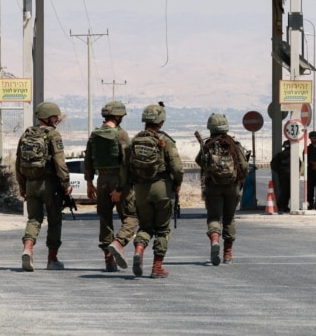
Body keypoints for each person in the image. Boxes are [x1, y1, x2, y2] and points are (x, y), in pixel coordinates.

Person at [126, 103, 183, 278]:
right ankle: (157, 267)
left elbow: (127, 166)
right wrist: (178, 184)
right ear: (161, 121)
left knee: (145, 226)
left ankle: (139, 248)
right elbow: (177, 168)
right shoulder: (165, 141)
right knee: (163, 229)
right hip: (162, 188)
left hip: (141, 190)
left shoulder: (135, 141)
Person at [15, 102, 71, 272]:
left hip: (31, 184)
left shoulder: (26, 134)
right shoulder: (53, 135)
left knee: (34, 219)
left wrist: (22, 186)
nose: (57, 120)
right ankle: (52, 259)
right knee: (54, 221)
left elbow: (18, 163)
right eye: (55, 117)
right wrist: (66, 183)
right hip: (50, 185)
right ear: (47, 118)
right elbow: (59, 162)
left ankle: (28, 249)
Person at [84, 101, 138, 272]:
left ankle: (108, 260)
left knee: (105, 218)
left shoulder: (95, 134)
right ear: (116, 116)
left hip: (101, 181)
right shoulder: (121, 134)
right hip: (118, 180)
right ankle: (118, 243)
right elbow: (126, 163)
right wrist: (120, 189)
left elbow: (88, 159)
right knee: (131, 217)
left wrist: (89, 183)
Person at [196, 113, 249, 266]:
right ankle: (227, 253)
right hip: (232, 187)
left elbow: (200, 162)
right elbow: (244, 166)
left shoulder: (208, 146)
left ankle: (214, 241)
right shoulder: (234, 145)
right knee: (229, 217)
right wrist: (240, 179)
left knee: (214, 217)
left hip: (213, 187)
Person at [270, 140, 294, 213]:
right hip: (291, 176)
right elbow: (298, 165)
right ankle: (283, 206)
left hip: (283, 175)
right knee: (288, 192)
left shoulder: (279, 155)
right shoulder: (293, 155)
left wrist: (279, 172)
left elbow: (273, 165)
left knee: (283, 191)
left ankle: (282, 206)